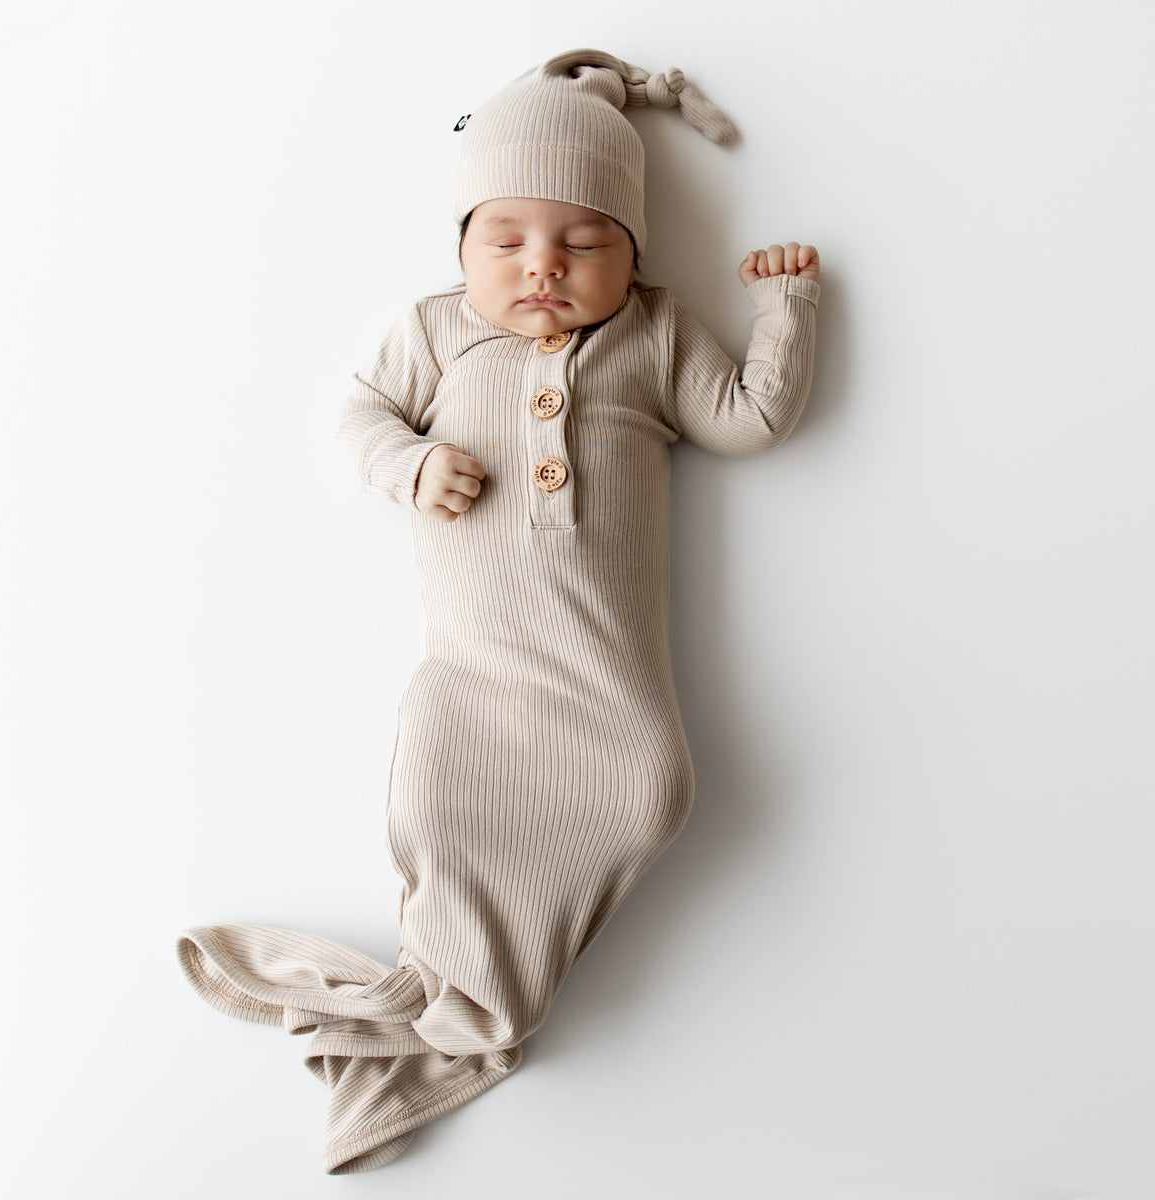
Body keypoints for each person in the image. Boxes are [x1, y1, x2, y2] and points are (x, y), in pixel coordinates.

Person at [177, 48, 822, 1174]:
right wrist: (412, 465)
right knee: (439, 790)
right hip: (474, 667)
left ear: (634, 253)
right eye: (506, 240)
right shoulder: (436, 331)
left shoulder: (657, 335)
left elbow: (748, 421)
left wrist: (788, 308)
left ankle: (454, 1006)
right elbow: (361, 416)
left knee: (653, 792)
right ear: (462, 248)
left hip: (607, 674)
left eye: (585, 243)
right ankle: (459, 1000)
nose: (543, 267)